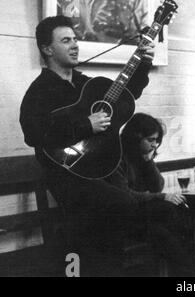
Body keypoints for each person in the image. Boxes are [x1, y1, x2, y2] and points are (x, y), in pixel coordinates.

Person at [19, 15, 156, 275]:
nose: (74, 45)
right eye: (65, 40)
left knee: (131, 211)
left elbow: (126, 96)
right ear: (47, 49)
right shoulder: (38, 92)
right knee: (122, 206)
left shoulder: (86, 84)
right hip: (66, 176)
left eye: (75, 39)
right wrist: (85, 125)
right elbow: (33, 134)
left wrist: (144, 60)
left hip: (100, 171)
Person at [105, 113, 194, 276]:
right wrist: (162, 197)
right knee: (167, 227)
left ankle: (183, 273)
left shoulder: (142, 156)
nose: (155, 145)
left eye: (157, 140)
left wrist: (149, 161)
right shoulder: (115, 158)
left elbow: (158, 185)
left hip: (143, 215)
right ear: (136, 137)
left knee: (174, 217)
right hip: (123, 217)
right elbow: (126, 196)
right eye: (151, 140)